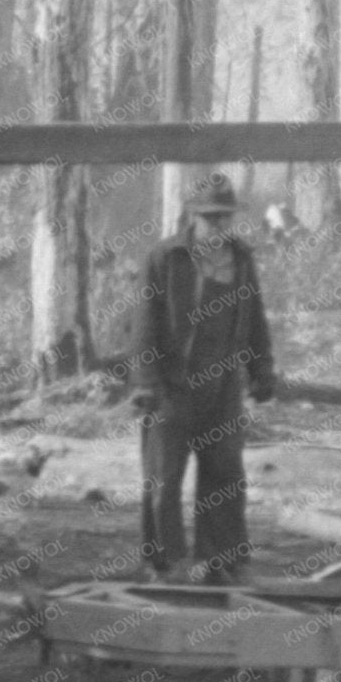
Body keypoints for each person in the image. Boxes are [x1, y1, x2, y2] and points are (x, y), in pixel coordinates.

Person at [129, 171, 278, 583]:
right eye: (210, 217)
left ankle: (221, 560)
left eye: (225, 217)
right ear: (192, 216)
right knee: (165, 478)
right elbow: (144, 323)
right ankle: (165, 564)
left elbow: (255, 319)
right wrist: (145, 382)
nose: (219, 225)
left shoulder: (242, 258)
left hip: (224, 387)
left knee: (226, 472)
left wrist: (261, 370)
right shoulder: (164, 258)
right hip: (172, 387)